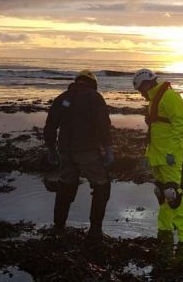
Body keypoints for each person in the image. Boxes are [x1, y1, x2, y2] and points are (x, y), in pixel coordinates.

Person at [43, 69, 114, 239]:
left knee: (65, 187)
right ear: (92, 83)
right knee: (102, 187)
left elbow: (50, 125)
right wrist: (109, 150)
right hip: (87, 151)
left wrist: (51, 149)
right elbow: (103, 126)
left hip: (65, 152)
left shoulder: (62, 98)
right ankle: (95, 231)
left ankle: (58, 228)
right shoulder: (95, 98)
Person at [132, 68, 183, 262]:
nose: (141, 94)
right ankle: (165, 230)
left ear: (147, 84)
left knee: (173, 194)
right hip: (157, 154)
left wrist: (172, 152)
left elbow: (179, 124)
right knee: (161, 192)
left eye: (141, 90)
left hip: (169, 155)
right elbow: (155, 130)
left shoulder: (170, 97)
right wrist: (148, 154)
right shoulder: (153, 101)